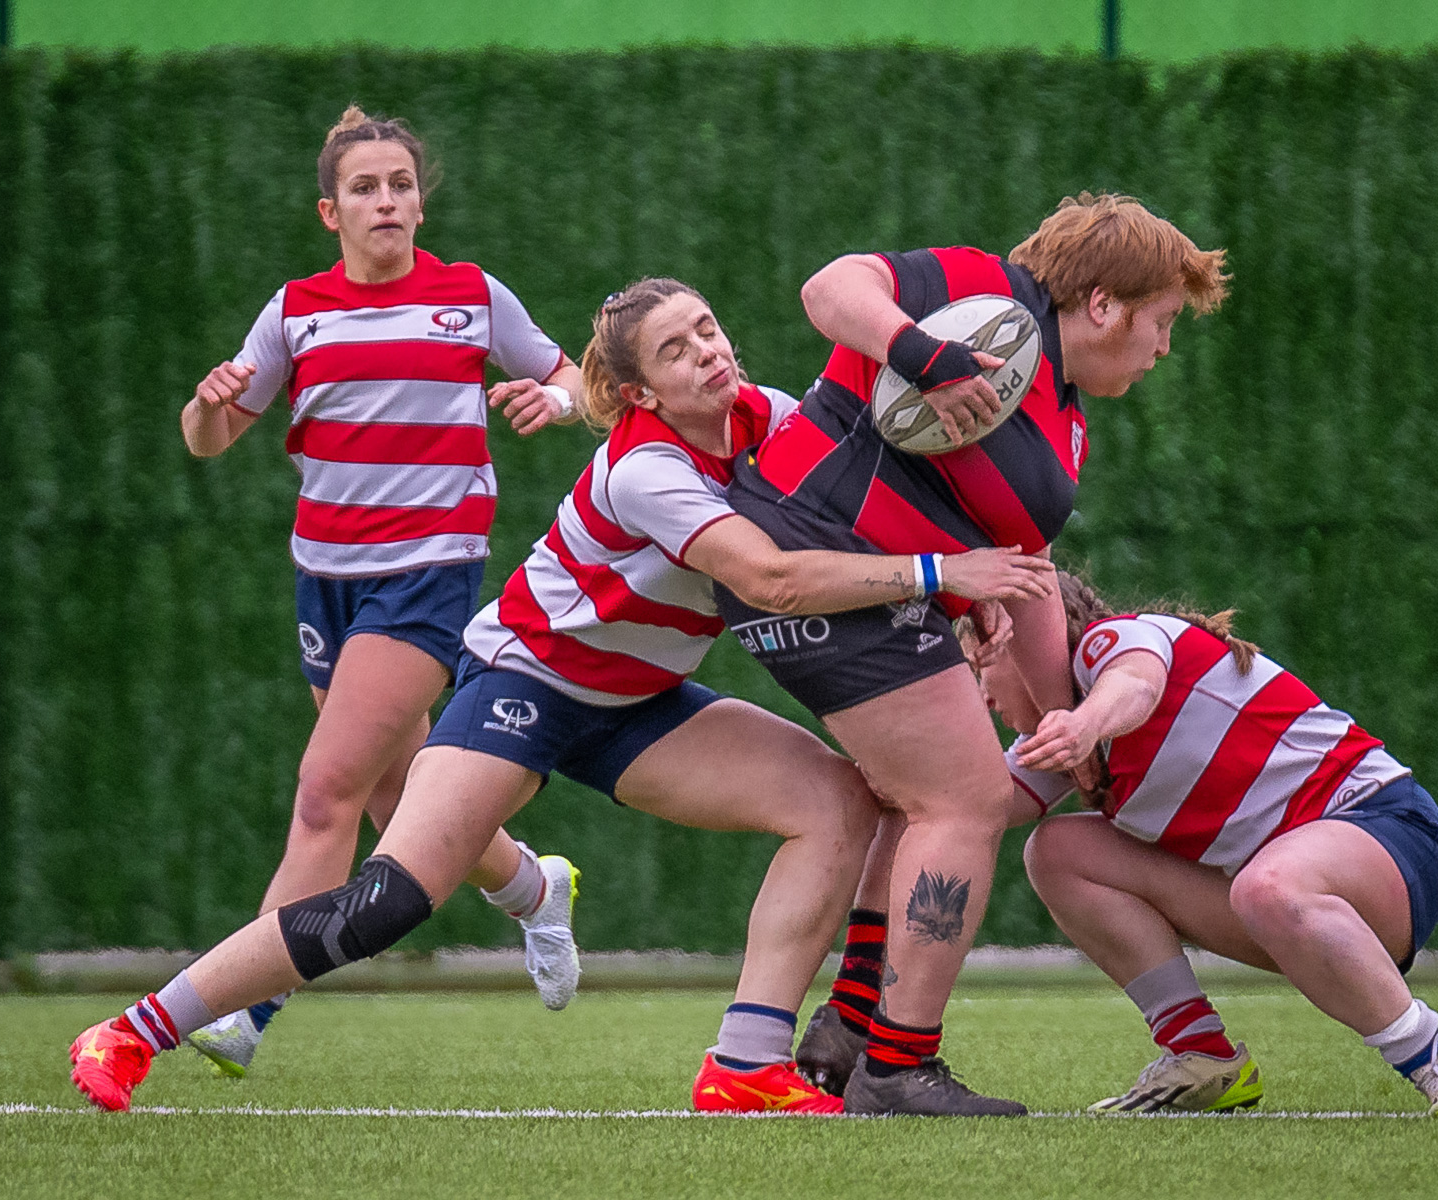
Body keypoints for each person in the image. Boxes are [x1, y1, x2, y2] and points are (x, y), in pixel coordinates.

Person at [68, 278, 1058, 1114]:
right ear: (638, 393)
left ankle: (746, 1067)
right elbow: (772, 582)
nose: (708, 353)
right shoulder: (647, 470)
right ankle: (131, 1031)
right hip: (526, 683)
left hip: (637, 700)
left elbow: (847, 525)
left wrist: (956, 594)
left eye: (707, 329)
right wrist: (943, 576)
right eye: (677, 351)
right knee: (388, 901)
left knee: (838, 800)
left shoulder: (768, 415)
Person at [720, 194, 1229, 1114]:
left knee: (910, 799)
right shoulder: (997, 292)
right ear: (1104, 303)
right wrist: (923, 355)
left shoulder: (1065, 416)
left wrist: (1058, 722)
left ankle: (849, 1026)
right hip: (813, 563)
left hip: (876, 591)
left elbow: (1025, 579)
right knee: (965, 800)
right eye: (1160, 323)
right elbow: (833, 286)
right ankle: (898, 1065)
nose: (1162, 349)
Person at [175, 105, 587, 1075]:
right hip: (324, 580)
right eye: (365, 188)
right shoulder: (295, 310)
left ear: (419, 199)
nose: (387, 201)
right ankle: (533, 887)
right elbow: (213, 436)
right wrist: (203, 407)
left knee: (326, 793)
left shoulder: (472, 297)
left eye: (400, 184)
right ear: (332, 212)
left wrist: (558, 398)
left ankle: (249, 1003)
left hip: (428, 578)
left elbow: (575, 376)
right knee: (398, 793)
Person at [1006, 571, 1438, 1117]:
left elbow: (1136, 687)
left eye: (979, 663)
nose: (978, 692)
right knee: (1057, 851)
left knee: (1266, 885)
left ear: (1022, 643)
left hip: (1388, 832)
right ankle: (1200, 1057)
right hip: (1280, 898)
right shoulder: (1061, 741)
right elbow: (968, 810)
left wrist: (1085, 724)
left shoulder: (1115, 640)